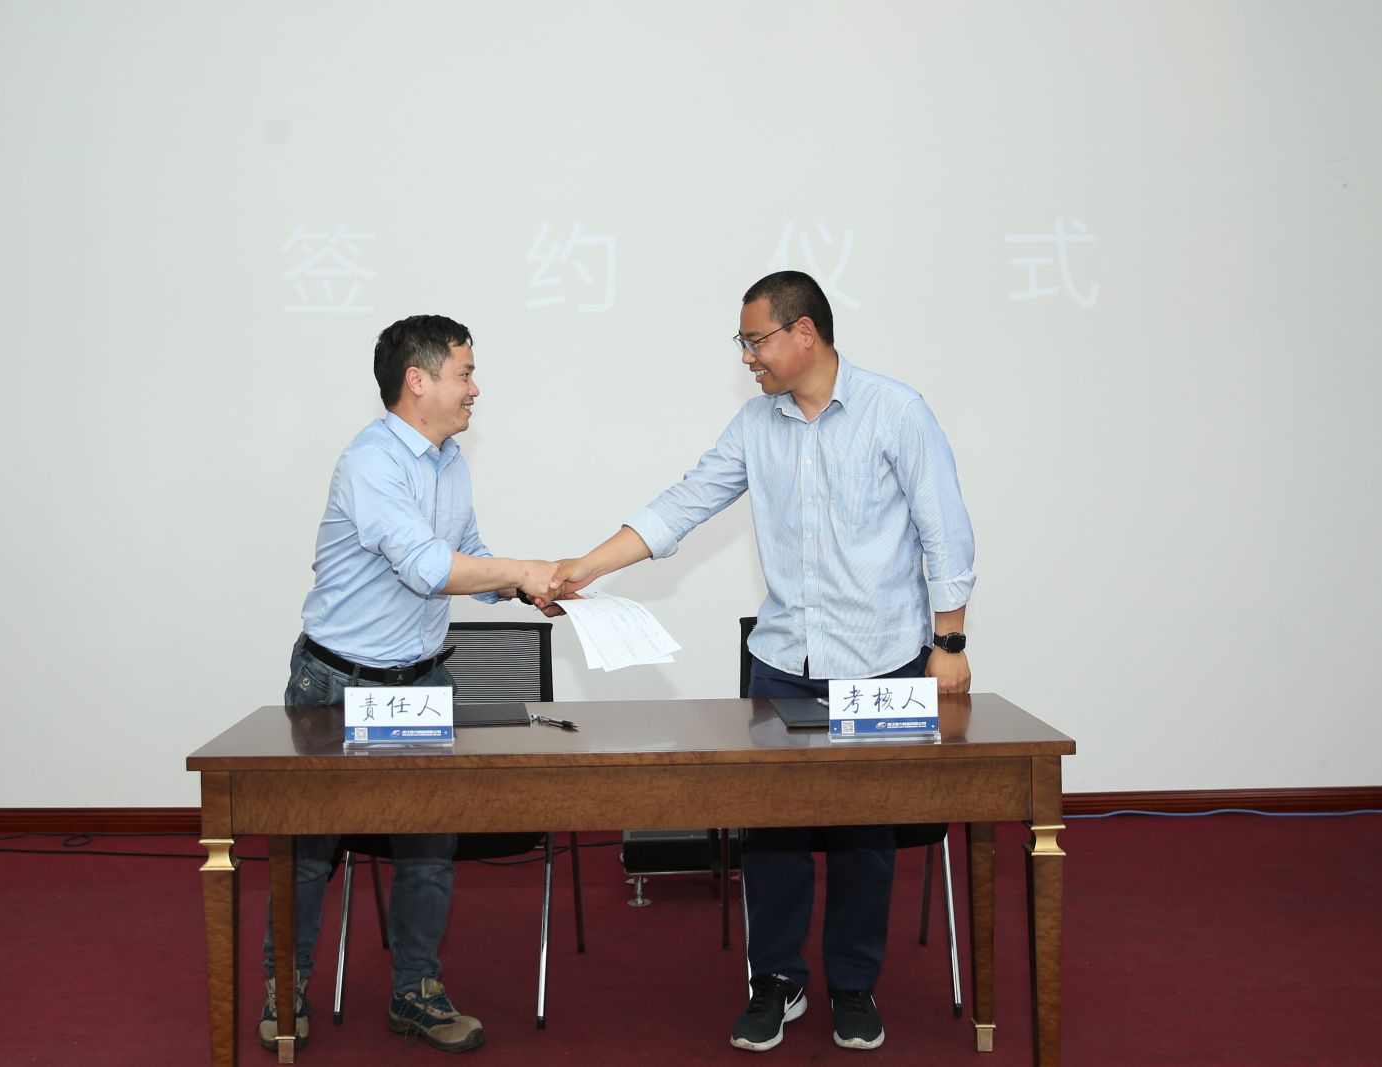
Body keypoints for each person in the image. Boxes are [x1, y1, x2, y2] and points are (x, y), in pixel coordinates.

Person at [554, 271, 975, 1053]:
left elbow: (944, 528)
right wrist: (584, 567)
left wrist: (947, 643)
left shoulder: (896, 411)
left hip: (882, 661)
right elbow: (684, 503)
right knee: (773, 830)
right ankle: (777, 979)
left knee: (865, 834)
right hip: (783, 661)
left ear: (803, 332)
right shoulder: (756, 424)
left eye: (755, 340)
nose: (746, 356)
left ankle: (853, 981)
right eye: (743, 343)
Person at [261, 314, 560, 1055]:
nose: (475, 388)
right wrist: (519, 570)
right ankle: (284, 985)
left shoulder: (448, 458)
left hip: (420, 683)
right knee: (309, 850)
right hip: (336, 683)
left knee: (429, 844)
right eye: (465, 373)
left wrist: (528, 586)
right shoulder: (372, 461)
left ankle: (415, 992)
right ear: (417, 380)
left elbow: (466, 553)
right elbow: (427, 568)